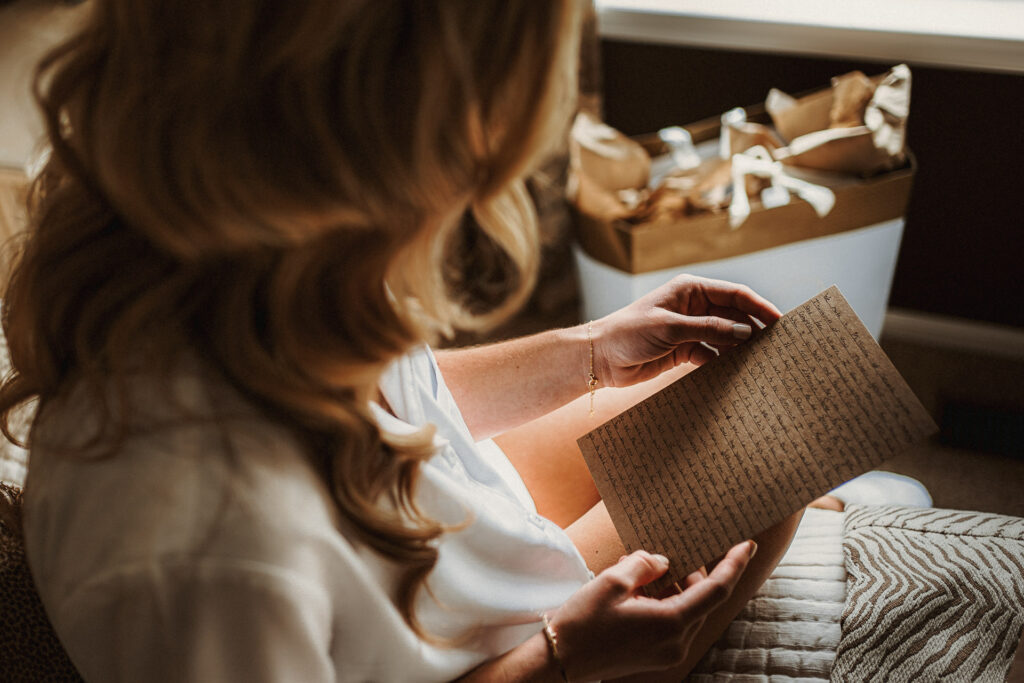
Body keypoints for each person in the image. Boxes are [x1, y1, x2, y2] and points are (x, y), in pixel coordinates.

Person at [0, 1, 803, 680]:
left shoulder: (233, 236)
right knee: (781, 441)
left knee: (756, 386)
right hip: (490, 648)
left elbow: (390, 389)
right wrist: (564, 659)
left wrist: (592, 351)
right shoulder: (211, 559)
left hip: (441, 532)